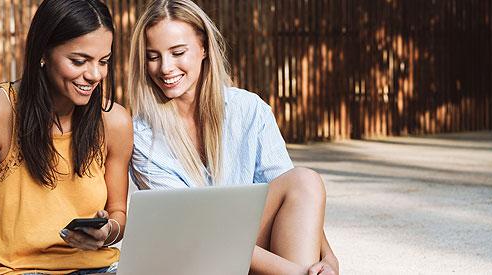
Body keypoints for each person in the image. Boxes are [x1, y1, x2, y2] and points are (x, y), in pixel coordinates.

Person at [127, 0, 338, 274]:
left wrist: (329, 258)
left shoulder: (249, 110)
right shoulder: (143, 136)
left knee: (304, 179)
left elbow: (296, 198)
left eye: (178, 52)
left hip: (253, 251)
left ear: (203, 48)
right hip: (193, 258)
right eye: (153, 57)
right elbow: (196, 232)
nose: (165, 67)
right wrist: (298, 273)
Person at [0, 0, 133, 274]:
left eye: (104, 61)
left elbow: (118, 213)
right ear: (43, 53)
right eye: (79, 61)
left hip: (95, 267)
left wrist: (106, 232)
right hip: (14, 269)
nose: (94, 74)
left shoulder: (114, 121)